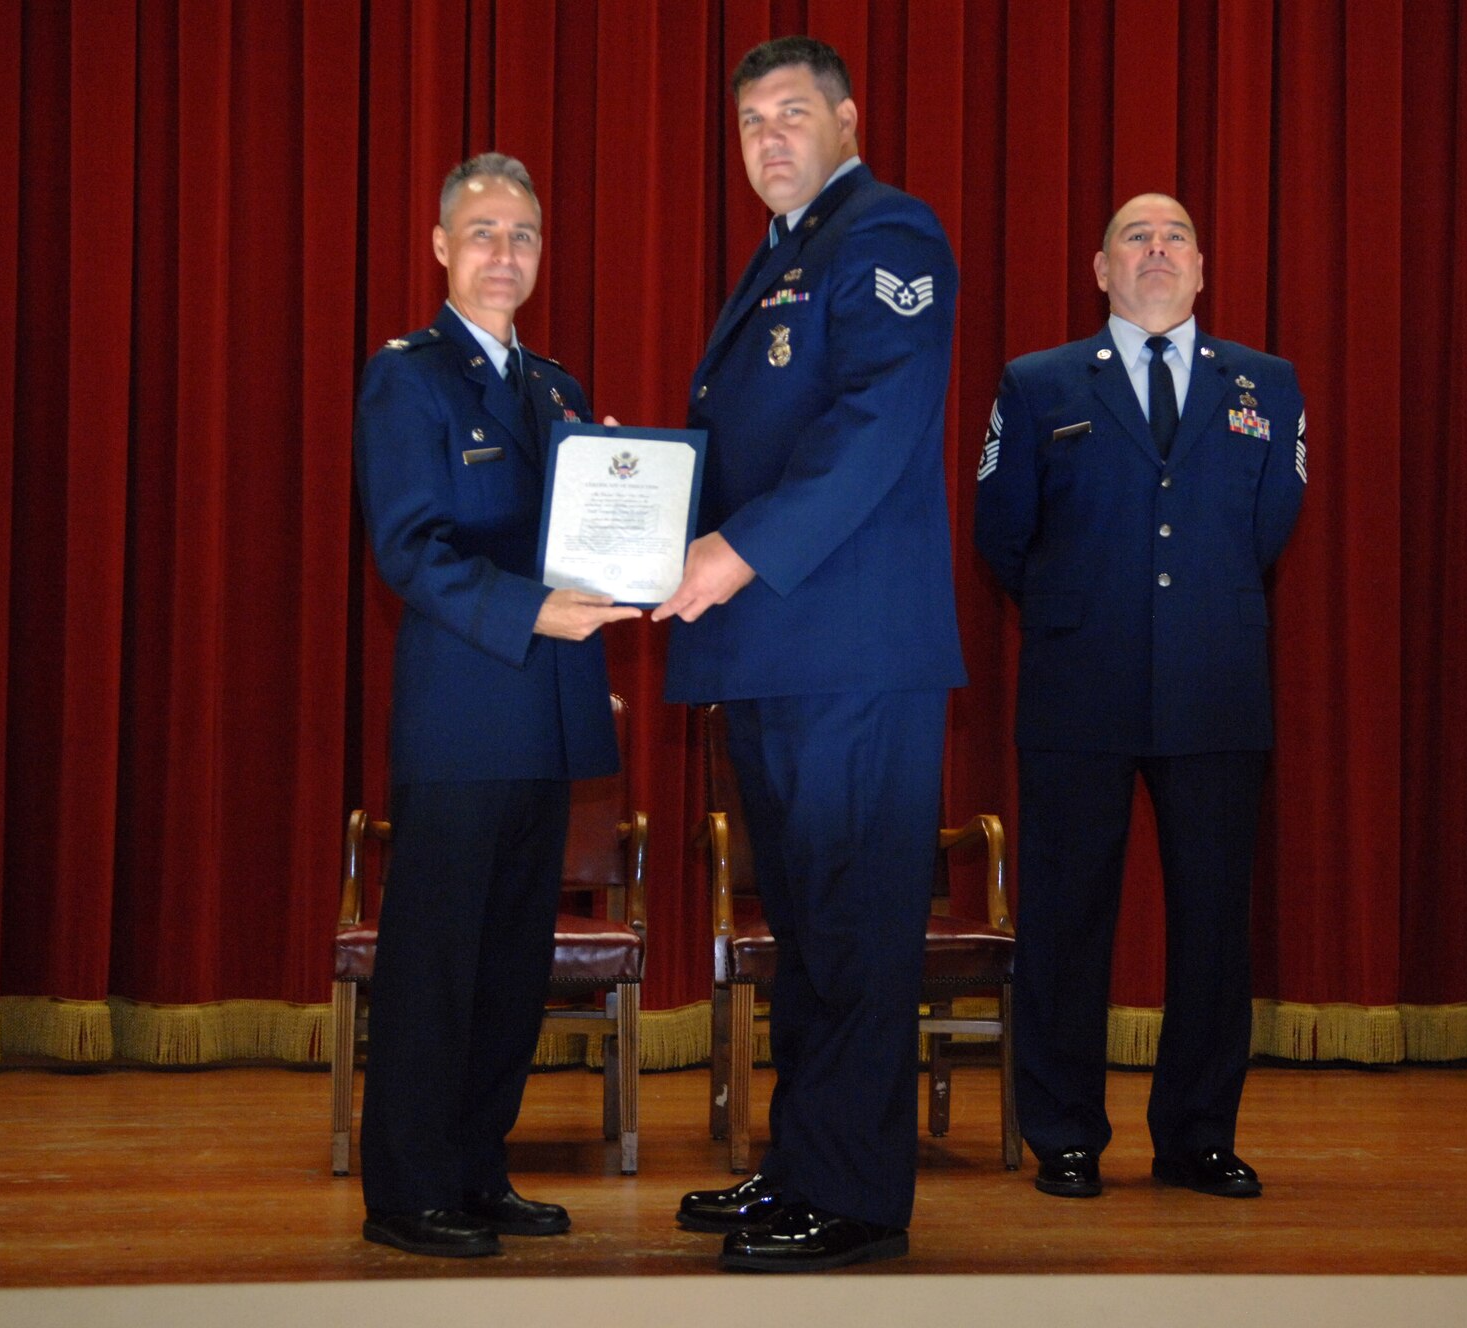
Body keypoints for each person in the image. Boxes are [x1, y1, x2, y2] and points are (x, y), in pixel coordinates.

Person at [652, 35, 964, 1272]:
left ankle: (851, 1193)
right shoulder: (784, 252)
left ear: (846, 119)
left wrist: (730, 550)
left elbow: (872, 425)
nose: (766, 138)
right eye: (748, 123)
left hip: (849, 651)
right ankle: (801, 1159)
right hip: (778, 650)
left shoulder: (885, 234)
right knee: (805, 927)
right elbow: (747, 443)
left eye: (790, 113)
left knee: (852, 925)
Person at [973, 193, 1307, 1202]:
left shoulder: (1265, 383)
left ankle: (1197, 1135)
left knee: (1213, 923)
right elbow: (1003, 531)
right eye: (1135, 236)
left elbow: (1270, 522)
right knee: (1066, 918)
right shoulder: (1037, 383)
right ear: (1100, 268)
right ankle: (1065, 1133)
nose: (1156, 249)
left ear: (1201, 268)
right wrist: (1086, 608)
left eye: (1175, 237)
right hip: (1079, 679)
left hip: (1214, 682)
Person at [351, 154, 639, 1257]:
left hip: (548, 715)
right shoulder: (408, 379)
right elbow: (410, 550)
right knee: (436, 964)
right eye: (482, 233)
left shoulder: (556, 388)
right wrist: (536, 610)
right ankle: (408, 1189)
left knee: (512, 965)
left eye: (521, 235)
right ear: (440, 247)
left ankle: (478, 1169)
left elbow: (583, 537)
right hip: (463, 716)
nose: (503, 254)